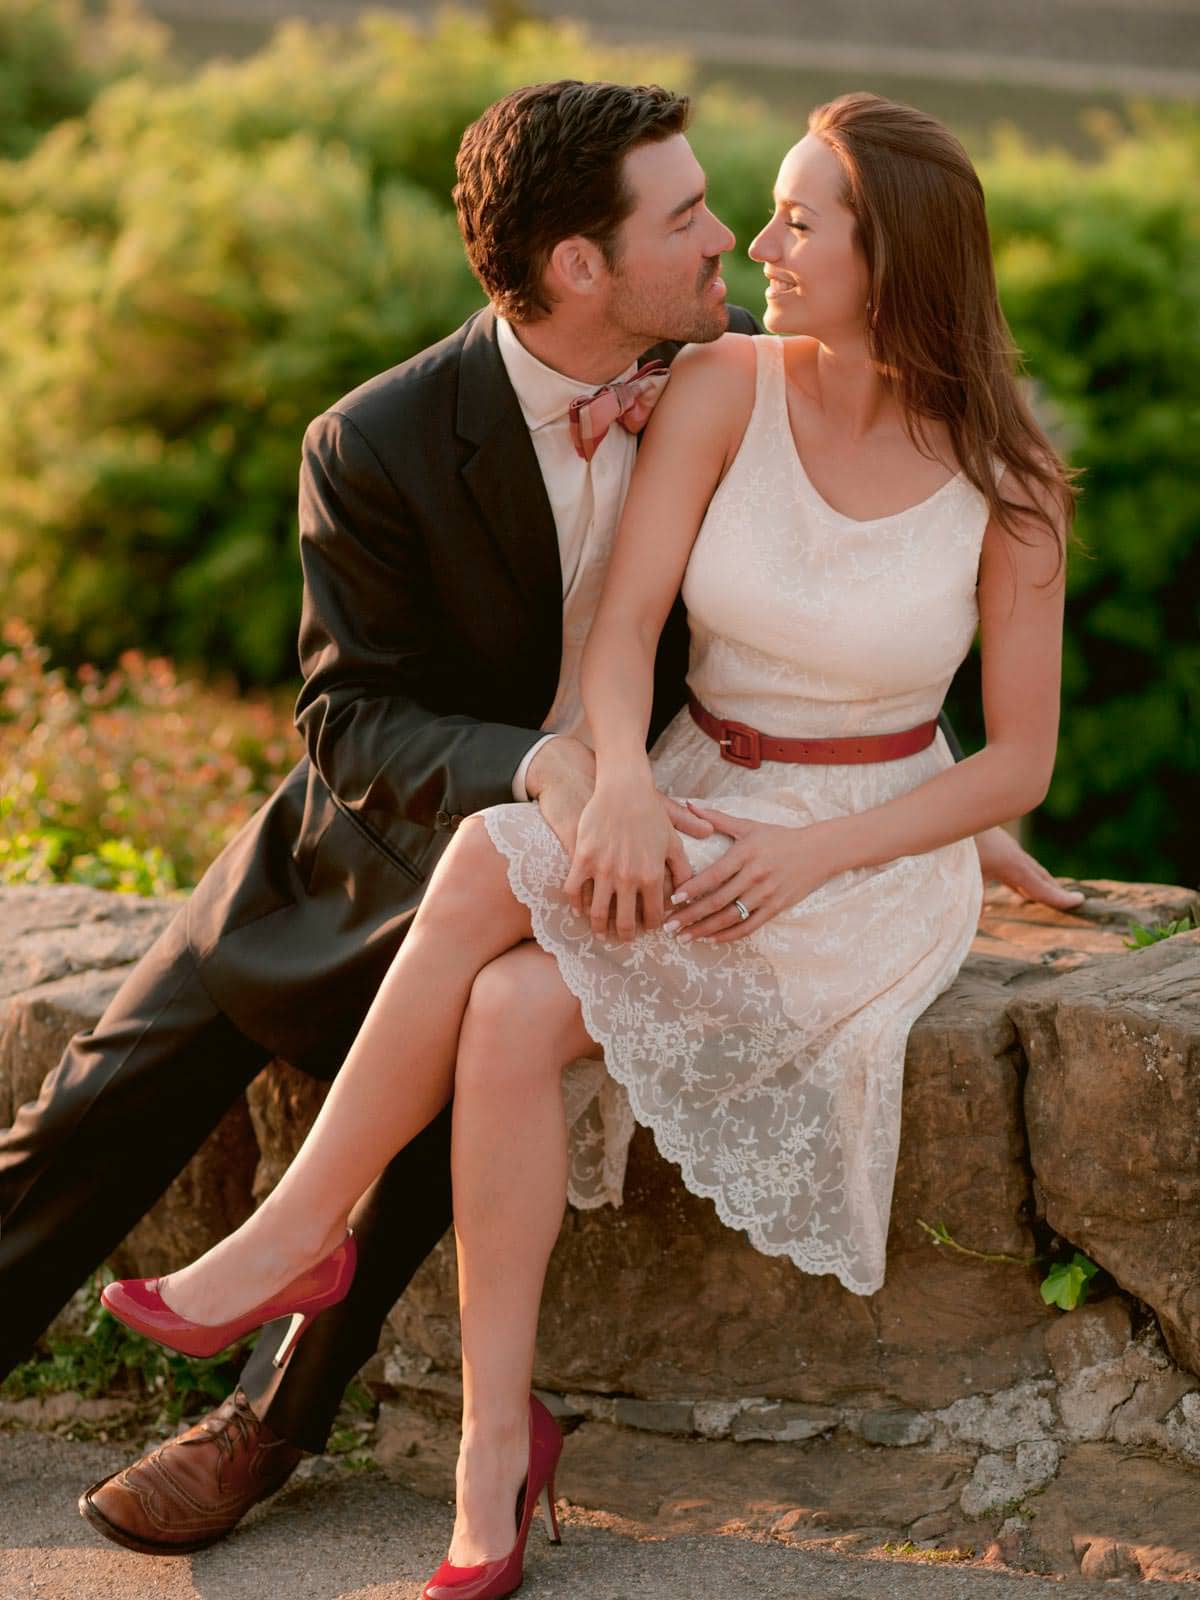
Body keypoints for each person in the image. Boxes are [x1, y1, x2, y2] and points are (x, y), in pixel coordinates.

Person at [102, 90, 1076, 1600]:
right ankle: (488, 1440)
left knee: (501, 910)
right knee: (502, 985)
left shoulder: (1012, 479)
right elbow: (621, 630)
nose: (756, 241)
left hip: (857, 859)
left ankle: (304, 1233)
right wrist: (616, 775)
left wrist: (844, 853)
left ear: (899, 258)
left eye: (798, 220)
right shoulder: (723, 386)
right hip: (686, 790)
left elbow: (1020, 755)